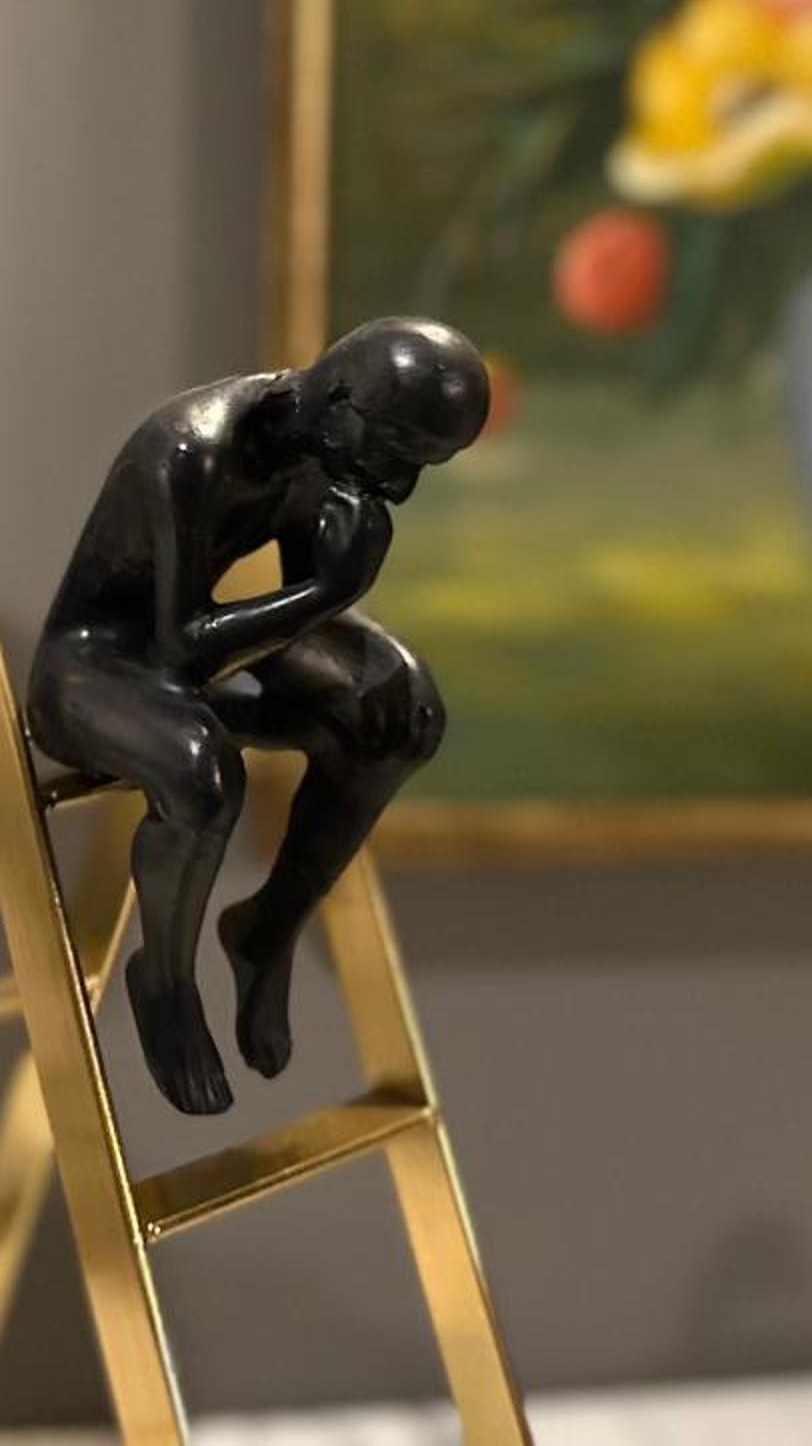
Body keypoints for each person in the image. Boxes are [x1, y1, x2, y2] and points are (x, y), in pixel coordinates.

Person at [27, 316, 488, 1115]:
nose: (400, 489)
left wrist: (333, 624)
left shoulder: (327, 456)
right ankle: (164, 981)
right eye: (398, 456)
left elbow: (287, 629)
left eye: (423, 468)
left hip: (194, 658)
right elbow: (179, 651)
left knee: (402, 711)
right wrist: (328, 593)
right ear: (340, 405)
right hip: (93, 669)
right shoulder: (191, 451)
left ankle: (266, 929)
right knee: (200, 771)